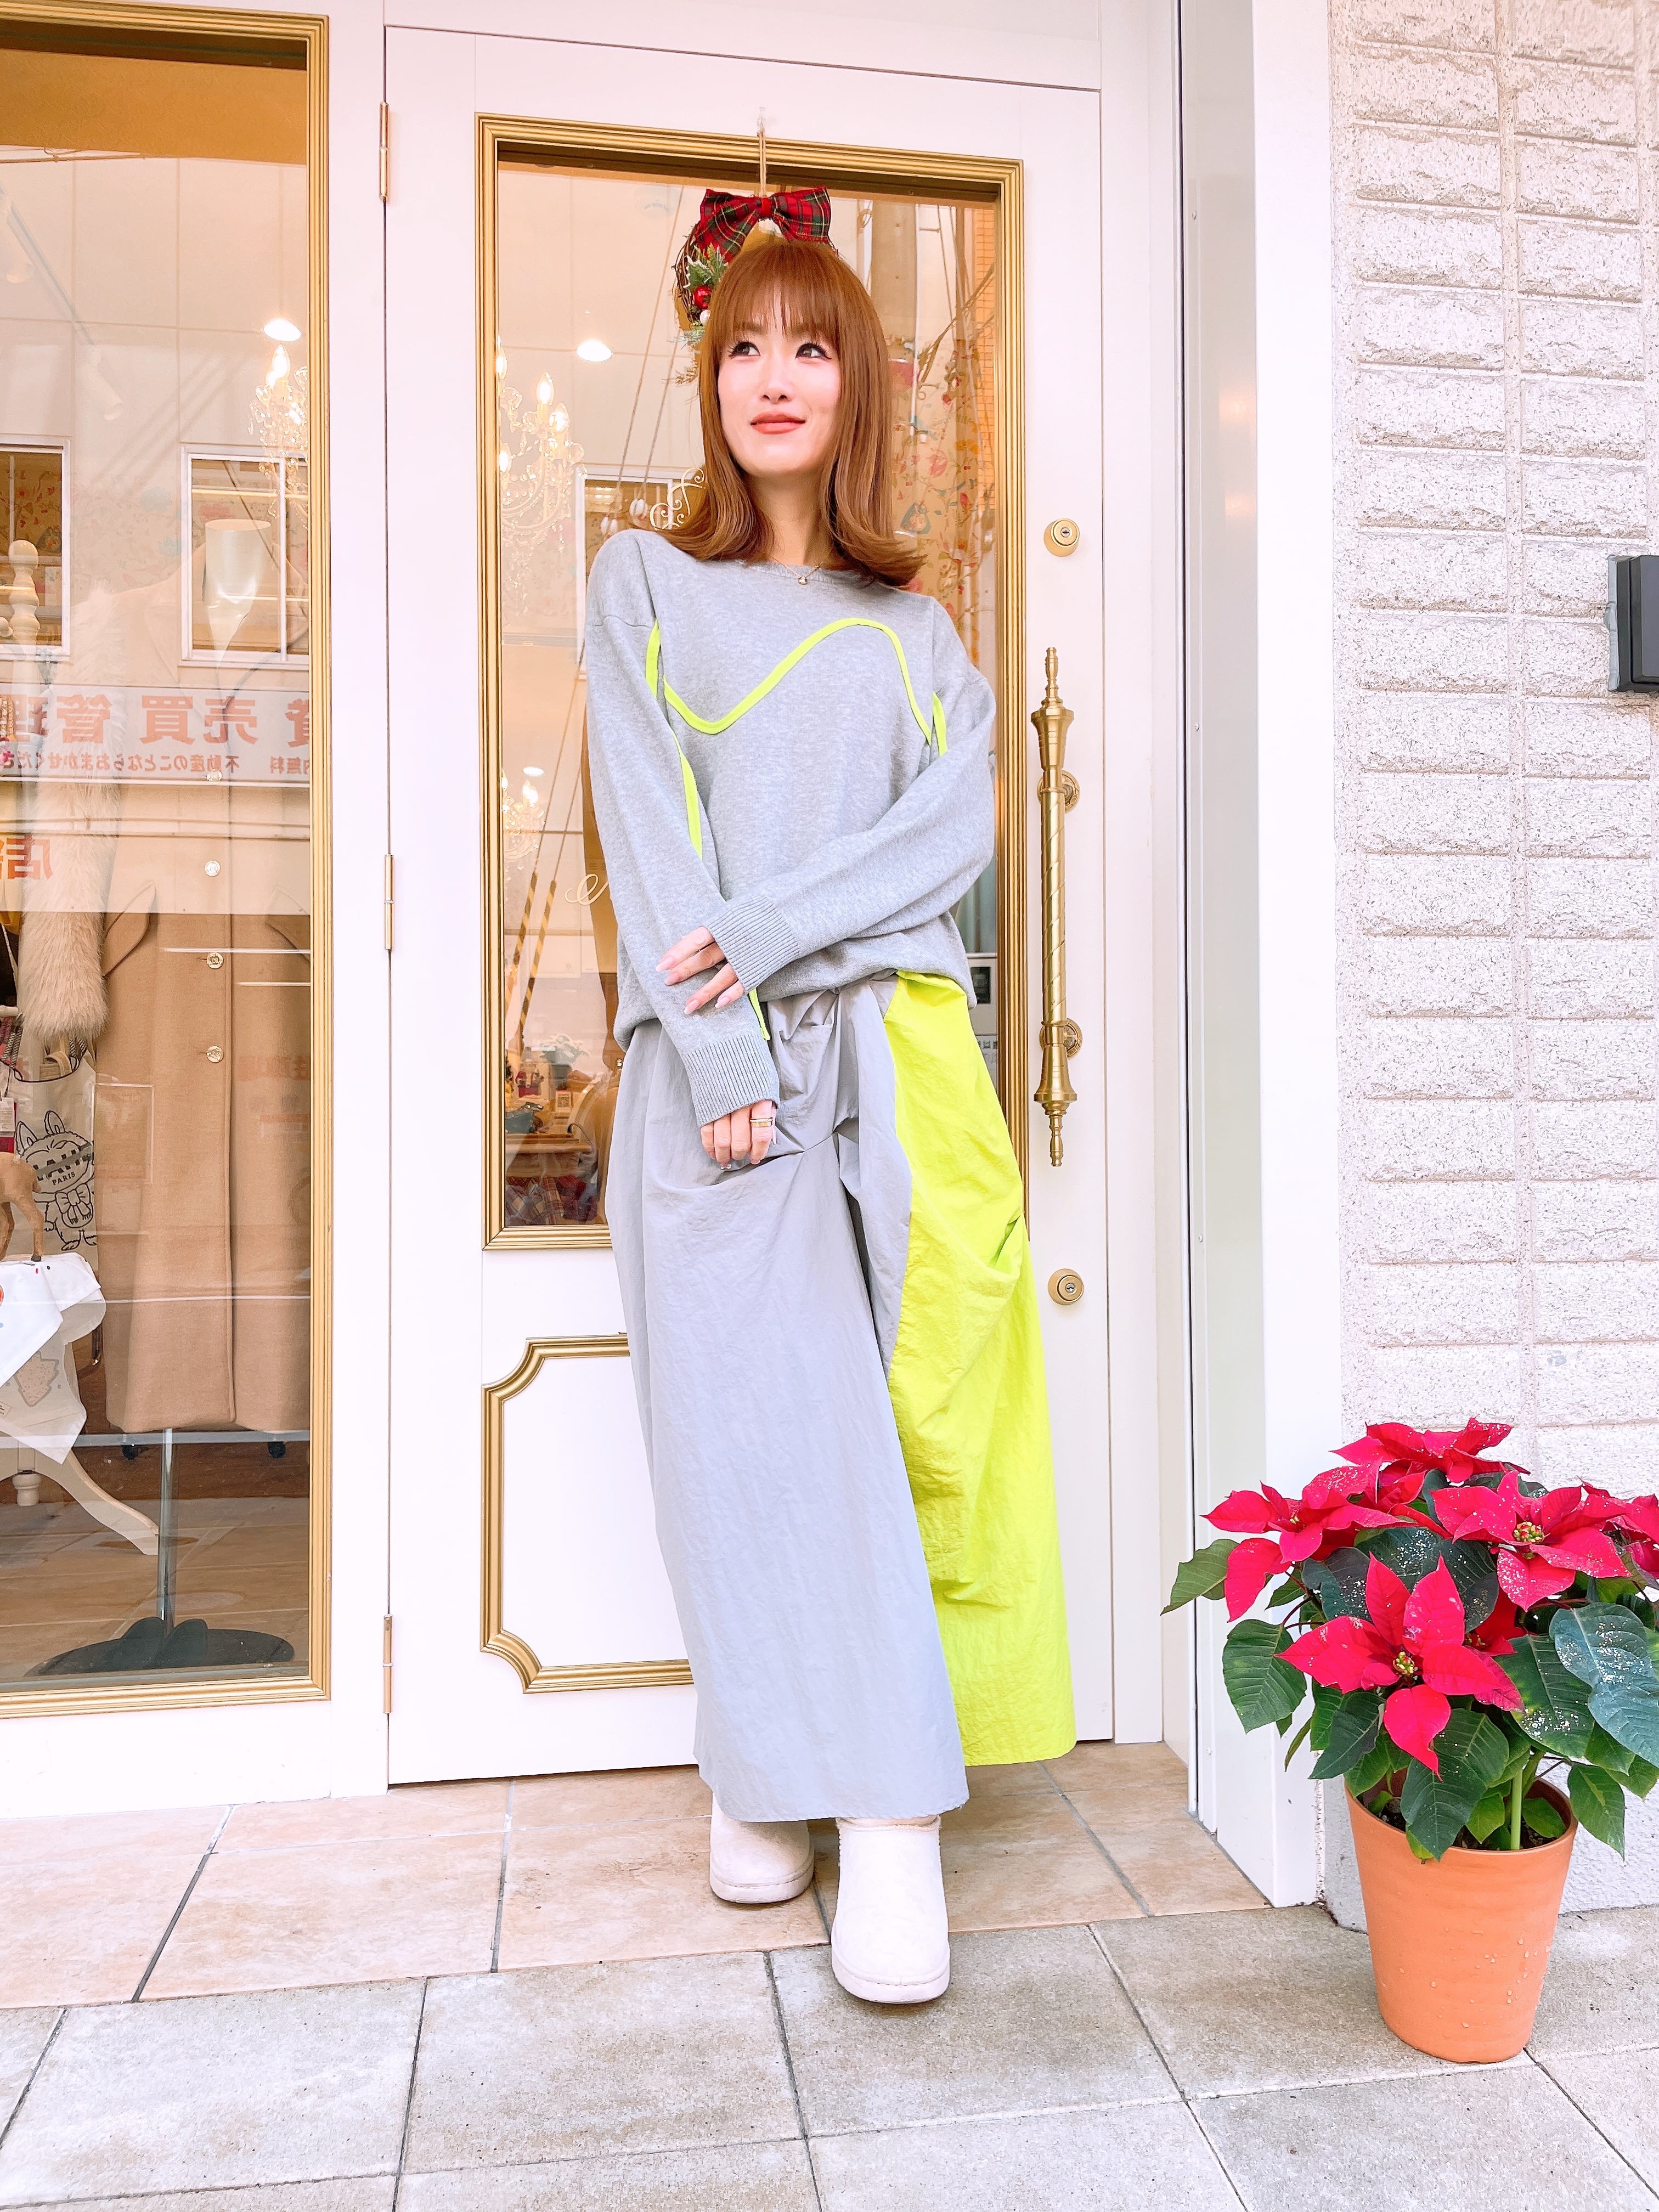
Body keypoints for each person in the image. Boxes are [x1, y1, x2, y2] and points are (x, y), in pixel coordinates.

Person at [585, 228, 1074, 2006]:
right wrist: (725, 1058)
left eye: (813, 347)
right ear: (709, 384)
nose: (774, 377)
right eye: (742, 348)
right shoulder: (643, 583)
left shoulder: (922, 632)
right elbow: (651, 837)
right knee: (746, 1437)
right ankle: (769, 1772)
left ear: (861, 386)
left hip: (898, 1060)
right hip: (718, 1073)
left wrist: (777, 926)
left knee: (897, 1433)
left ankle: (884, 1812)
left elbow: (950, 840)